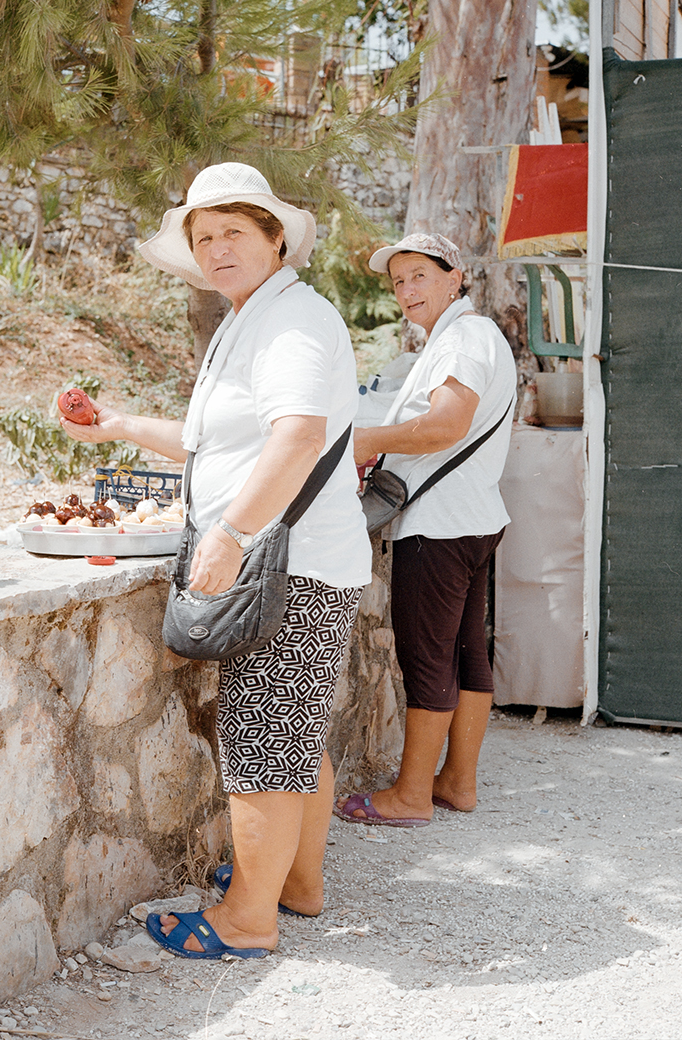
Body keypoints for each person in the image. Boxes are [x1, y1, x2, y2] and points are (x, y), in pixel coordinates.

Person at [60, 162, 371, 958]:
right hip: (299, 557)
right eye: (203, 237)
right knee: (294, 733)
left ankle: (246, 921)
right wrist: (120, 424)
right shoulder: (251, 320)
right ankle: (296, 887)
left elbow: (297, 436)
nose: (216, 247)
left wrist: (228, 535)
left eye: (234, 230)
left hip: (285, 560)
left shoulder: (292, 322)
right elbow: (211, 443)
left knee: (263, 735)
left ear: (275, 238)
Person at [335, 232, 516, 828]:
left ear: (454, 276)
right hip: (476, 519)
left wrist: (364, 442)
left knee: (428, 657)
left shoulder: (461, 340)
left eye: (419, 275)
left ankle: (411, 796)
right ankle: (457, 782)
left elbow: (446, 425)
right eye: (398, 282)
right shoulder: (469, 336)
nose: (408, 290)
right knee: (467, 654)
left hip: (439, 526)